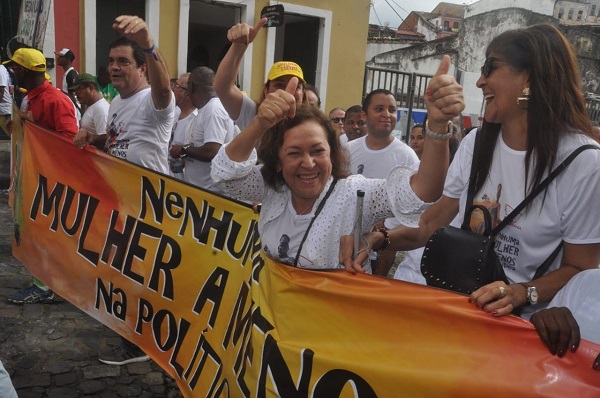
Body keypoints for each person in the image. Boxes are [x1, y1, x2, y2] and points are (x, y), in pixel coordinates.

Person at [346, 24, 600, 320]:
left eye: (489, 67)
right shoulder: (477, 143)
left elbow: (580, 268)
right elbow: (431, 224)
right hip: (463, 311)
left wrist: (520, 292)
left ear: (529, 76)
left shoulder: (583, 163)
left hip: (523, 328)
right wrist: (381, 238)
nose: (480, 81)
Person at [211, 55, 464, 270]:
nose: (308, 163)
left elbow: (423, 192)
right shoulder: (272, 188)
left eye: (318, 151)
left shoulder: (354, 193)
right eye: (294, 153)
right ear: (277, 161)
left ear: (332, 154)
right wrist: (260, 124)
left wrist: (438, 125)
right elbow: (226, 175)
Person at [77, 15, 175, 365]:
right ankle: (133, 333)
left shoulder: (153, 99)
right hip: (121, 203)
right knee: (123, 273)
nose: (115, 68)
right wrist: (94, 137)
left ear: (142, 69)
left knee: (144, 278)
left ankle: (146, 344)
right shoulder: (116, 102)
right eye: (112, 61)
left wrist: (149, 43)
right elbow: (117, 140)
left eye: (124, 62)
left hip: (150, 206)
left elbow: (165, 91)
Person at [4, 47, 78, 304]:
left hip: (51, 179)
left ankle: (46, 285)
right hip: (35, 175)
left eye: (13, 68)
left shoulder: (55, 100)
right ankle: (46, 280)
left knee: (45, 233)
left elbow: (70, 140)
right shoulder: (31, 96)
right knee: (34, 231)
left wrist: (35, 128)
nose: (10, 73)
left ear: (22, 70)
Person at [347, 89, 419, 276]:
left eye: (392, 110)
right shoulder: (348, 150)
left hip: (384, 243)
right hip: (346, 237)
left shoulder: (407, 156)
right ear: (365, 115)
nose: (386, 115)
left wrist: (387, 225)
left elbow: (416, 203)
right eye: (379, 109)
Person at [214, 18, 305, 131]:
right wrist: (239, 45)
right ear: (266, 90)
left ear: (303, 94)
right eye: (279, 85)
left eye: (296, 87)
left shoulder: (312, 124)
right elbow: (223, 87)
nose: (286, 92)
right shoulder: (254, 115)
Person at [171, 66, 235, 192]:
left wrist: (183, 149)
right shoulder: (205, 109)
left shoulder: (213, 110)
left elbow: (212, 151)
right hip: (199, 191)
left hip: (209, 193)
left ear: (192, 87)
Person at [168, 72, 197, 179]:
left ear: (187, 93)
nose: (172, 89)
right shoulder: (173, 113)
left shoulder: (196, 119)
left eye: (177, 86)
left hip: (182, 182)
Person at [70, 73, 109, 146]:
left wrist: (89, 137)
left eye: (78, 90)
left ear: (91, 88)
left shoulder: (100, 109)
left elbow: (105, 139)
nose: (76, 94)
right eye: (75, 91)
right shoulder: (92, 105)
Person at [54, 48, 81, 114]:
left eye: (61, 57)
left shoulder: (71, 74)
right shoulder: (68, 73)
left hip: (74, 109)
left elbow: (74, 95)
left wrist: (59, 92)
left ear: (68, 59)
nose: (58, 58)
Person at [0, 54, 13, 136]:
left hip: (4, 111)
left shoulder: (0, 70)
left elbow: (1, 91)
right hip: (3, 110)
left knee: (4, 139)